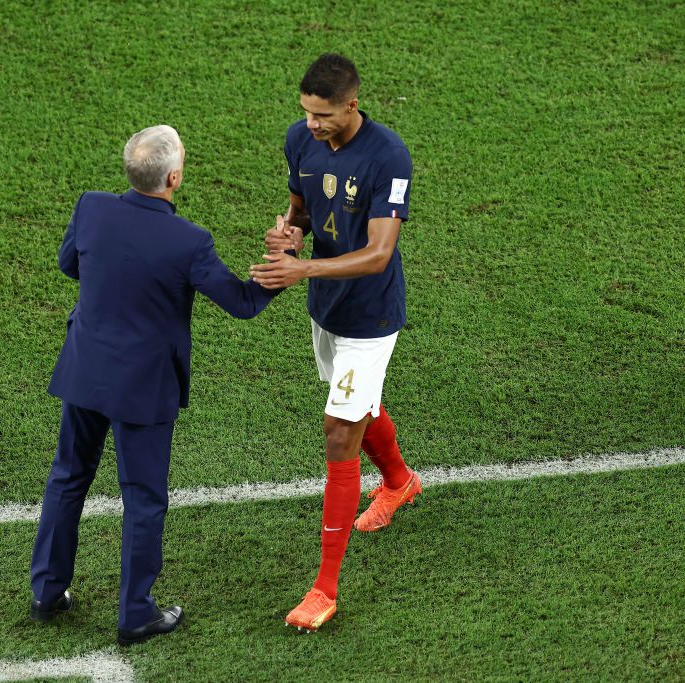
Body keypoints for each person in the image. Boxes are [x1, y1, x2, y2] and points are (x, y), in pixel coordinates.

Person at [30, 125, 281, 646]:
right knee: (143, 499)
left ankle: (46, 593)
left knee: (68, 477)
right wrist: (280, 266)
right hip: (143, 388)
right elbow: (242, 303)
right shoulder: (188, 241)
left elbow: (67, 264)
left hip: (85, 369)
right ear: (174, 177)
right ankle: (135, 613)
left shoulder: (92, 207)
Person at [250, 54, 420, 633]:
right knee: (359, 406)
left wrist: (301, 272)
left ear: (351, 103)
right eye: (306, 113)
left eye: (322, 115)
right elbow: (301, 206)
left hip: (370, 317)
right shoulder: (300, 139)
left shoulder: (388, 156)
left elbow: (378, 255)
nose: (312, 125)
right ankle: (400, 483)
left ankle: (324, 588)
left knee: (339, 429)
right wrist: (288, 233)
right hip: (326, 307)